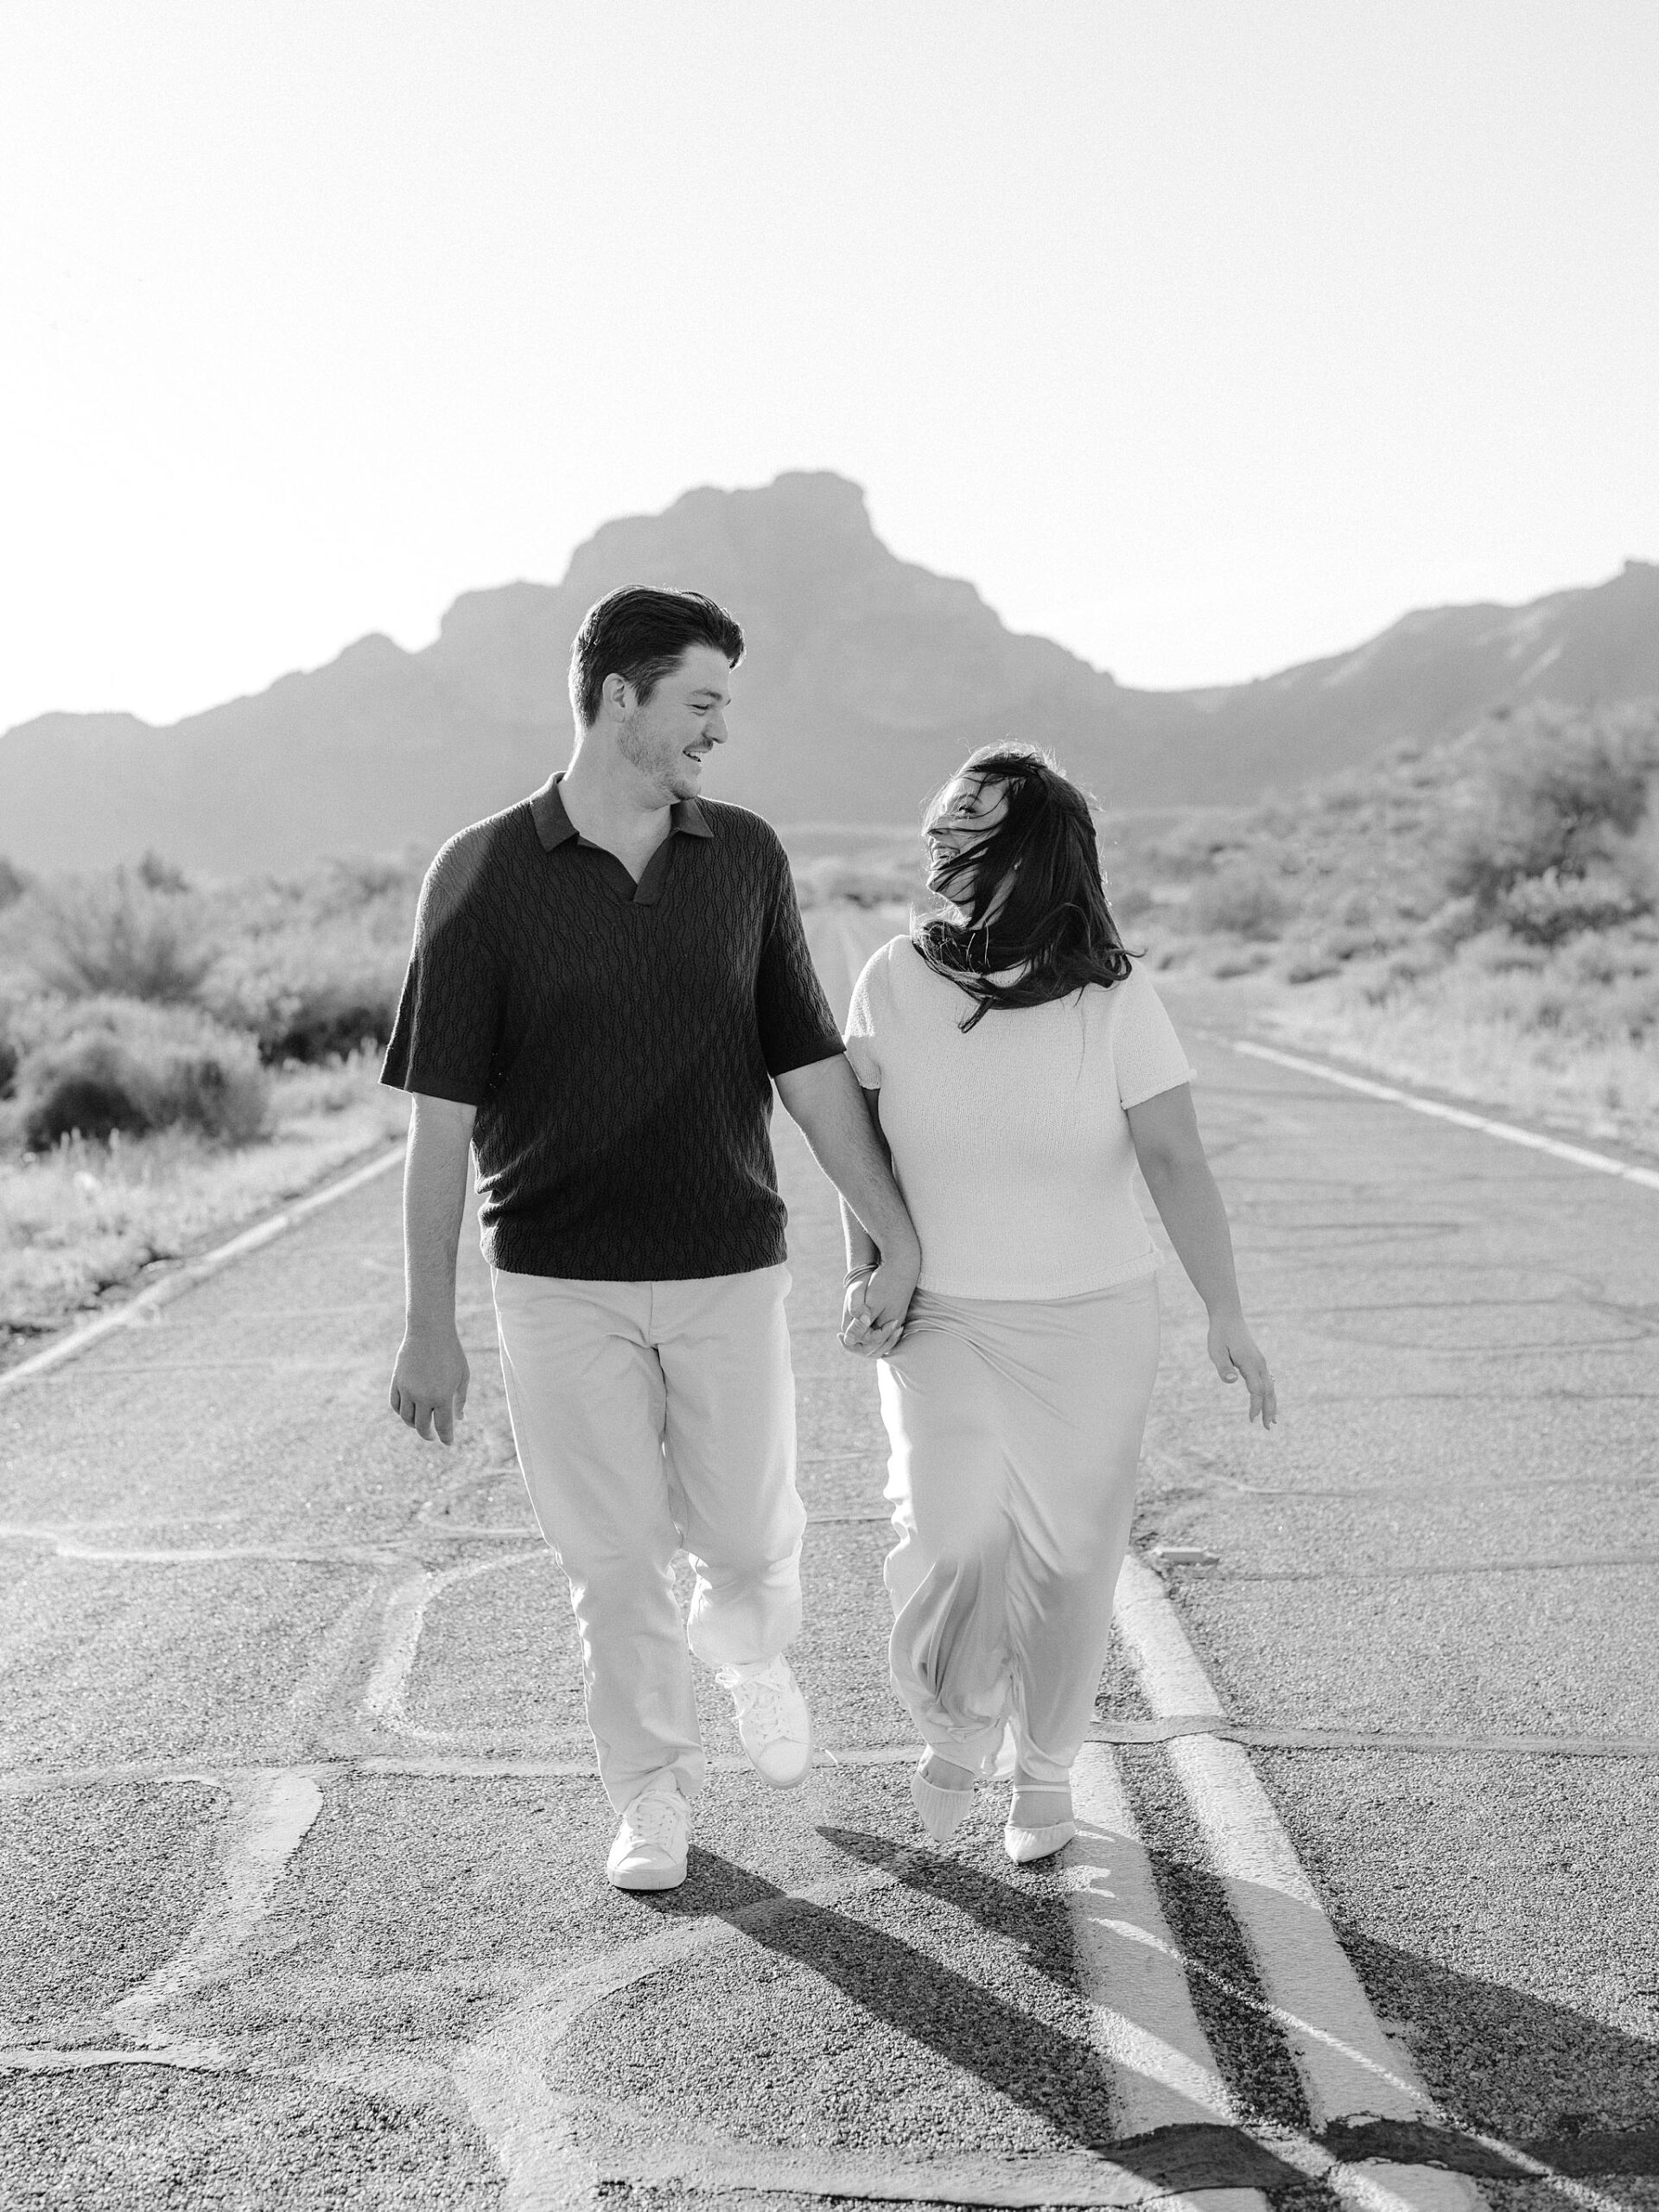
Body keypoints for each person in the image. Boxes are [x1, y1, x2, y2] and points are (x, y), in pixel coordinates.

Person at [381, 585, 920, 1894]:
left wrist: (891, 1238)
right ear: (620, 697)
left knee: (741, 1542)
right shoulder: (484, 873)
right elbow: (438, 1125)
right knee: (613, 1560)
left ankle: (746, 1644)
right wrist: (427, 1323)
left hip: (728, 1261)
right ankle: (649, 1793)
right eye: (700, 703)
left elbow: (806, 1072)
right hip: (557, 1281)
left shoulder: (741, 857)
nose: (718, 733)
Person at [839, 743, 1275, 1864]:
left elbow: (1175, 1159)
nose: (935, 839)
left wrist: (1227, 1312)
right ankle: (957, 1716)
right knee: (951, 1530)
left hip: (1094, 1319)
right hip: (943, 1316)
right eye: (936, 820)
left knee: (1075, 1560)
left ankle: (1043, 1768)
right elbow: (861, 1156)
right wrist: (867, 1271)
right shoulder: (892, 976)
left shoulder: (1116, 997)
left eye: (964, 825)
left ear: (1026, 851)